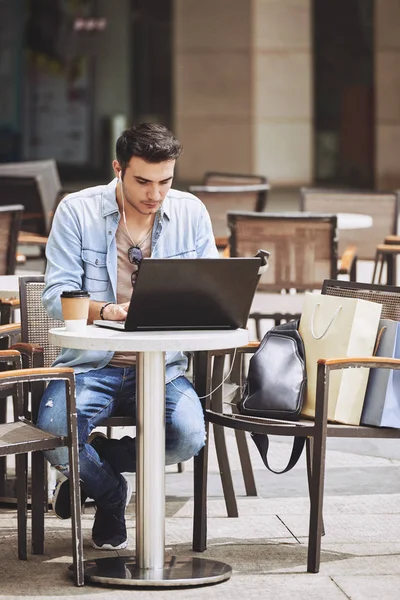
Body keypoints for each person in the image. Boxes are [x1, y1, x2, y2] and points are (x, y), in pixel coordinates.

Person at [37, 123, 219, 550]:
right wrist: (107, 311)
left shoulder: (190, 211)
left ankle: (95, 461)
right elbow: (53, 296)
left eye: (165, 181)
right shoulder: (77, 210)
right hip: (89, 364)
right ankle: (110, 492)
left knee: (187, 438)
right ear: (118, 168)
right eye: (142, 181)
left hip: (163, 365)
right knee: (53, 438)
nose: (155, 194)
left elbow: (212, 286)